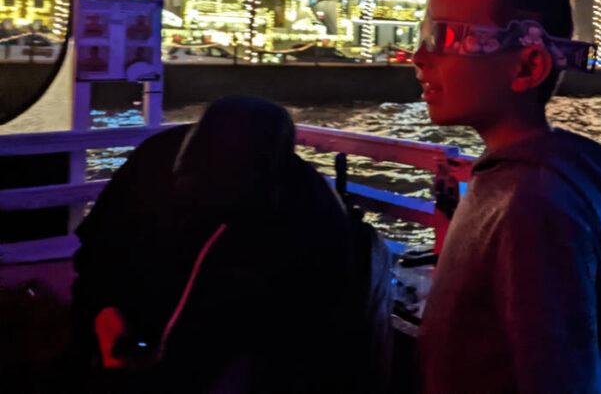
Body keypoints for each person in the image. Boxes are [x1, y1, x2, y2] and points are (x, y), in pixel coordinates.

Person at [414, 0, 601, 393]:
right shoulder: (519, 181)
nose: (419, 58)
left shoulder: (534, 208)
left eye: (446, 38)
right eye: (424, 34)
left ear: (528, 66)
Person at [71, 96, 391, 393]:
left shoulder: (310, 210)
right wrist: (104, 313)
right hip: (136, 333)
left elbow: (318, 316)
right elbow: (98, 250)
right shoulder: (152, 165)